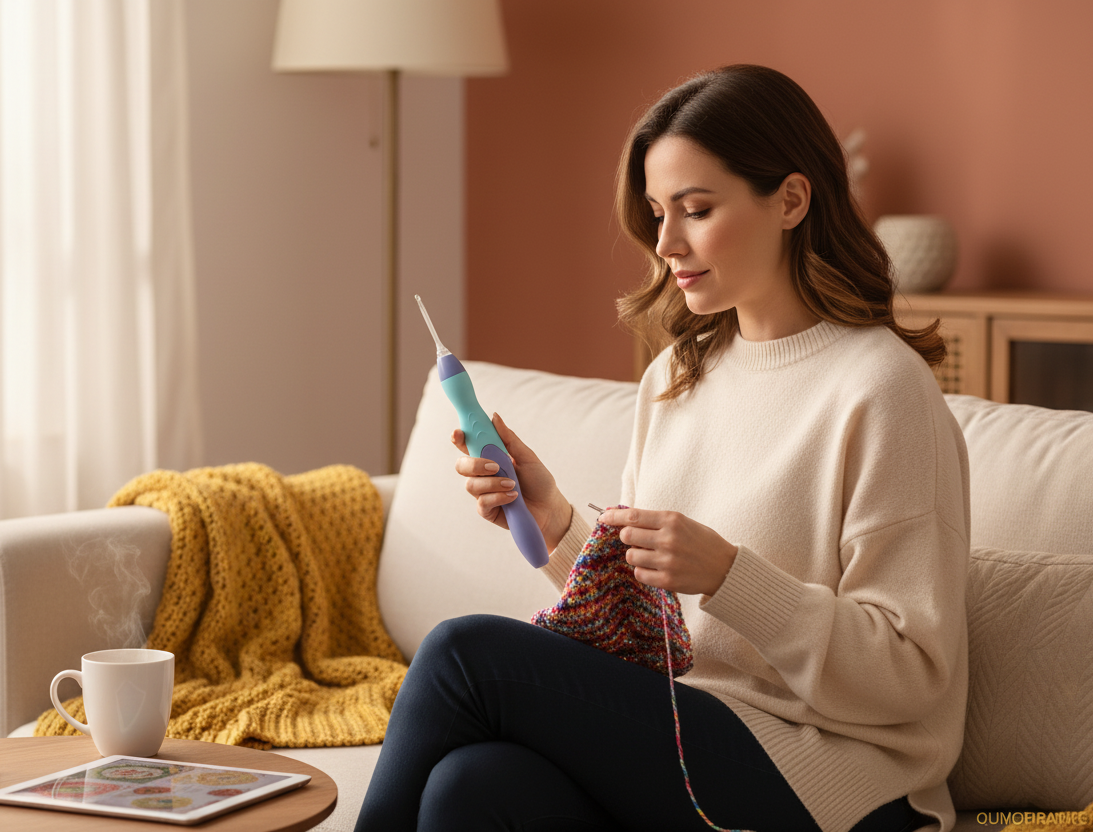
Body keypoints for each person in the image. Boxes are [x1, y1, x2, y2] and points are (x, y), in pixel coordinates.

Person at [355, 64, 969, 832]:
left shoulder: (883, 389)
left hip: (843, 777)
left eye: (696, 209)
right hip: (691, 737)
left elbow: (912, 675)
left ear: (790, 199)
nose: (666, 242)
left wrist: (731, 576)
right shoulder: (676, 377)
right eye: (654, 212)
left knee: (460, 654)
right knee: (470, 786)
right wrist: (557, 528)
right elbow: (654, 628)